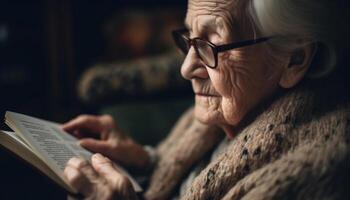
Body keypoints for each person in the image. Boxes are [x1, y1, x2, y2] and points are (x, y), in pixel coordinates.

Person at [62, 0, 350, 199]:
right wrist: (145, 159)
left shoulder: (312, 172)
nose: (186, 69)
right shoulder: (220, 117)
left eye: (211, 44)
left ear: (294, 59)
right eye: (189, 39)